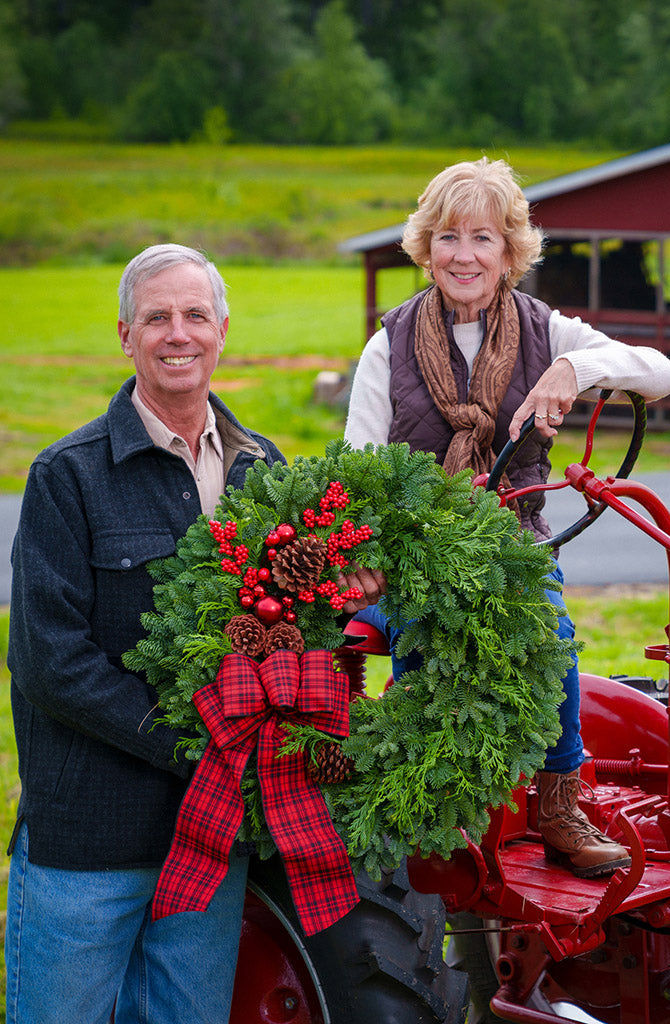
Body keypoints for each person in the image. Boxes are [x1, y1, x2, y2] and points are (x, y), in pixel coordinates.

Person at [4, 244, 379, 1023]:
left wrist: (342, 600)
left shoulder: (264, 469)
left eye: (195, 315)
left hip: (209, 847)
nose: (178, 334)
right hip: (88, 846)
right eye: (157, 317)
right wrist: (196, 743)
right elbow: (50, 663)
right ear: (125, 333)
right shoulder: (67, 475)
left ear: (222, 329)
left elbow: (287, 628)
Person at [345, 157, 670, 878]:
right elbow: (359, 463)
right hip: (418, 553)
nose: (464, 255)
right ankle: (421, 800)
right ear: (426, 248)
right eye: (448, 237)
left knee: (549, 634)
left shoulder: (546, 331)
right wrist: (375, 546)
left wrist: (576, 371)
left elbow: (661, 371)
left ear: (510, 253)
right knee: (423, 643)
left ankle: (558, 806)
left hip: (516, 548)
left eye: (483, 238)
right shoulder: (389, 343)